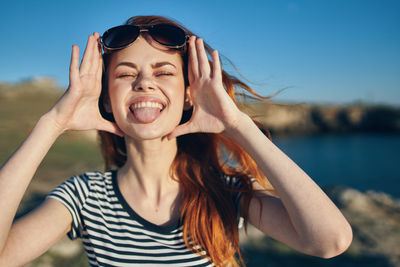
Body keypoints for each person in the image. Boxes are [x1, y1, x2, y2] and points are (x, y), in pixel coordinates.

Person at [0, 15, 352, 266]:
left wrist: (235, 124)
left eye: (163, 72)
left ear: (188, 96)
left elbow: (329, 242)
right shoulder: (84, 198)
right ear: (107, 100)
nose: (144, 83)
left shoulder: (225, 193)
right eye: (125, 74)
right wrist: (53, 123)